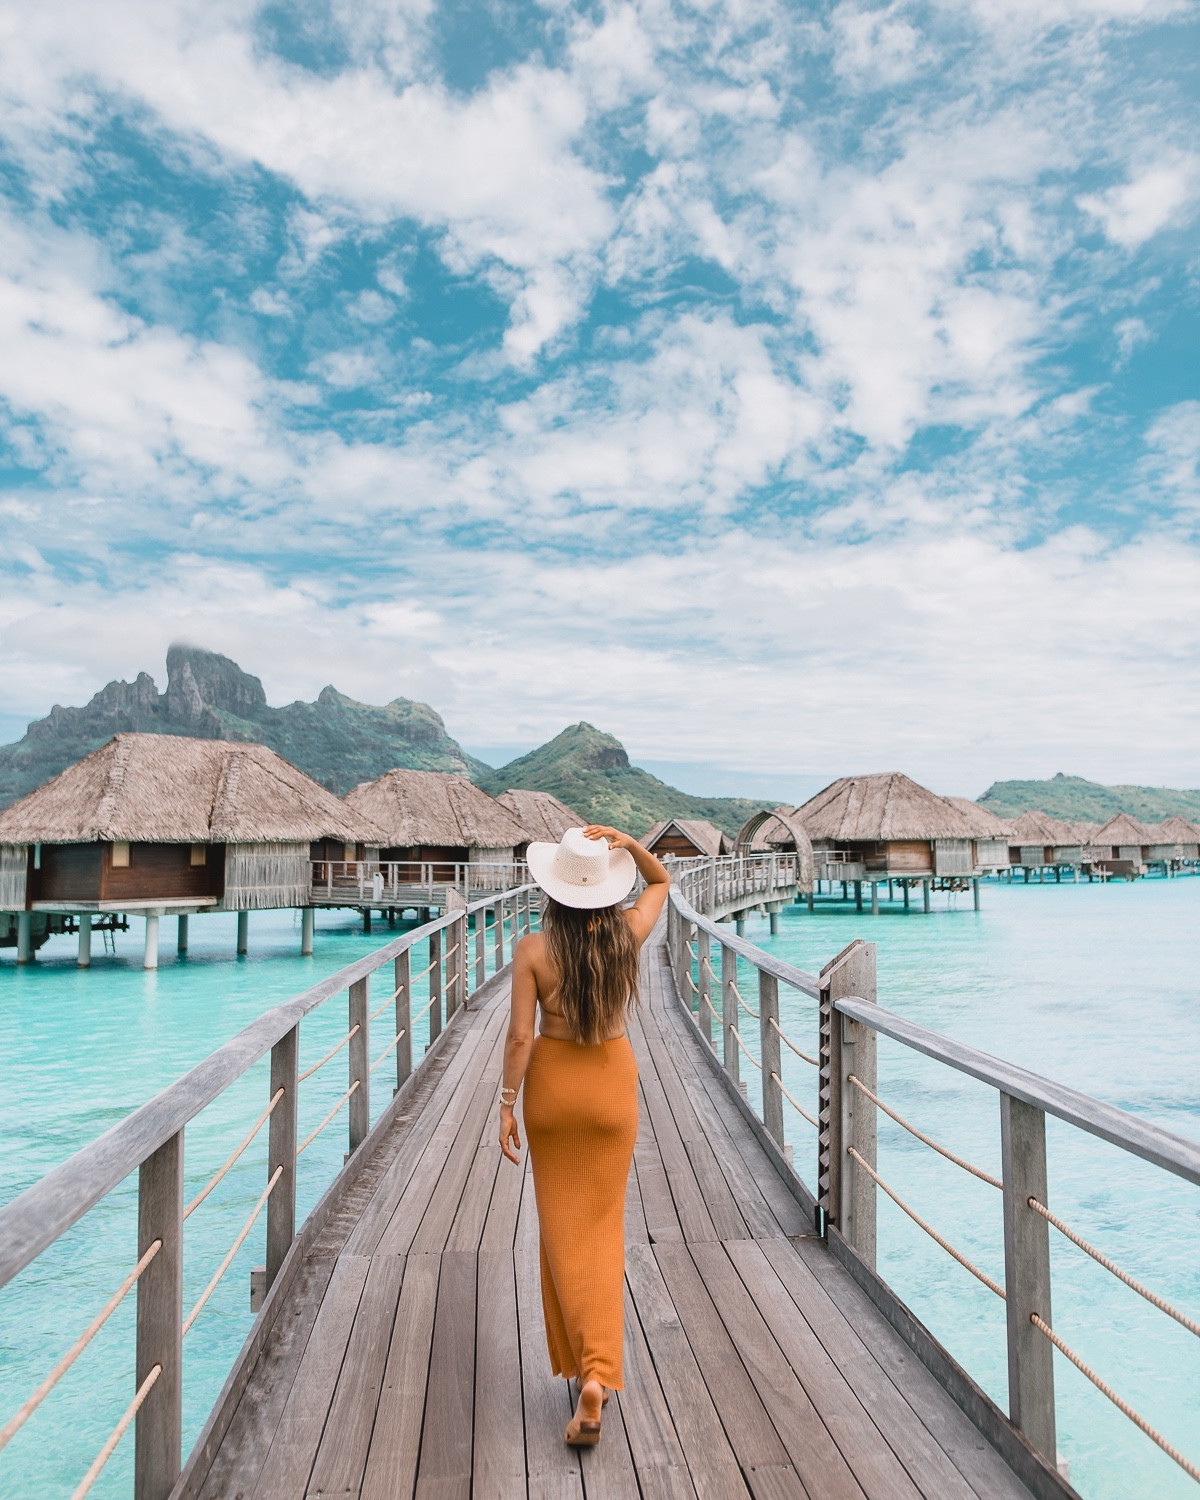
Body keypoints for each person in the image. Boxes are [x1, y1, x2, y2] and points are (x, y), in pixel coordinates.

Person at [497, 823, 669, 1447]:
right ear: (604, 889)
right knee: (603, 1228)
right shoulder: (626, 935)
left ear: (554, 890)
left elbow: (521, 1037)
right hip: (610, 1088)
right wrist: (629, 843)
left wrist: (506, 1104)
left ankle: (588, 1369)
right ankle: (595, 1373)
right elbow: (660, 881)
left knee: (563, 1229)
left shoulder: (533, 950)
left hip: (554, 1090)